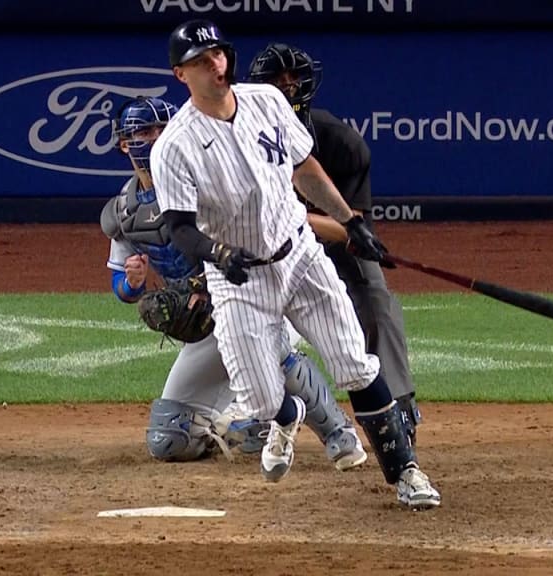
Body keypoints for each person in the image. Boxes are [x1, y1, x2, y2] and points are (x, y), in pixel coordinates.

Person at [150, 19, 440, 508]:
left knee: (355, 365)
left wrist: (351, 223)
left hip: (301, 257)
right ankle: (287, 417)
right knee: (260, 399)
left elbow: (305, 169)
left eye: (219, 53)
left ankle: (407, 473)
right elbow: (179, 227)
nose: (216, 65)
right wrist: (218, 253)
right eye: (202, 61)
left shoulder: (266, 101)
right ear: (181, 74)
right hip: (239, 280)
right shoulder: (173, 147)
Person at [100, 95, 369, 471]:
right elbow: (121, 287)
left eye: (162, 128)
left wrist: (341, 230)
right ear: (124, 144)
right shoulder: (124, 212)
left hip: (254, 297)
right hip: (206, 325)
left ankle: (339, 433)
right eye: (145, 131)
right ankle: (244, 416)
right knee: (169, 439)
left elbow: (279, 222)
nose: (157, 137)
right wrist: (133, 283)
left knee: (273, 349)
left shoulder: (206, 179)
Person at [246, 42, 422, 443]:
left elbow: (350, 227)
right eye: (277, 78)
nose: (287, 86)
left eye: (294, 78)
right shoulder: (236, 142)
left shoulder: (339, 141)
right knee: (243, 318)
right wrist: (294, 219)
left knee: (376, 300)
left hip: (332, 245)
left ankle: (398, 408)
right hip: (268, 249)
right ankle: (259, 412)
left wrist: (335, 227)